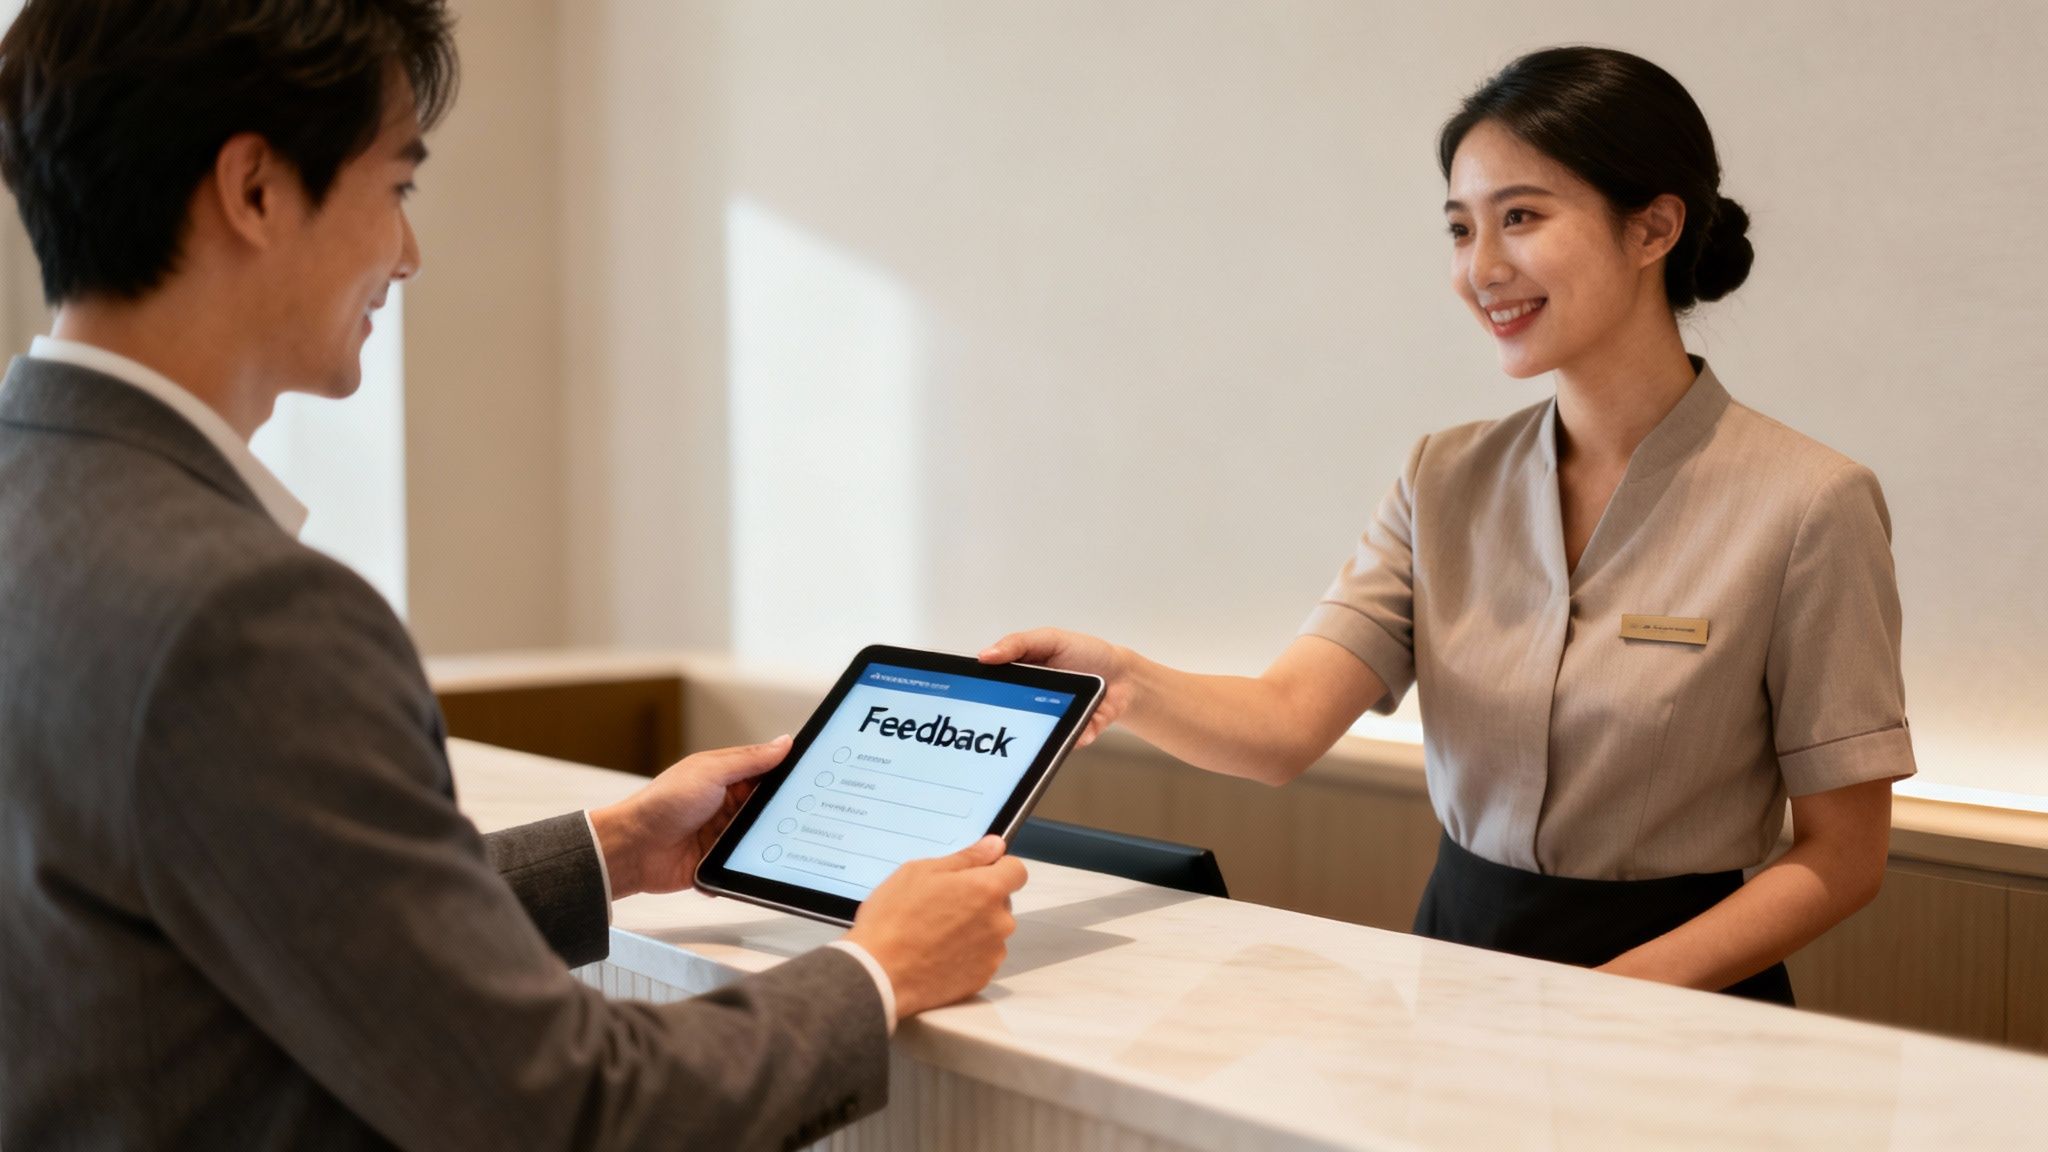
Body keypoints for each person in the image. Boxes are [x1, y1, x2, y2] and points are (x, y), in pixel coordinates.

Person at [0, 2, 1025, 1149]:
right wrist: (876, 971)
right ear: (254, 191)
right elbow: (555, 1108)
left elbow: (256, 908)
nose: (409, 253)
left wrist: (615, 848)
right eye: (398, 187)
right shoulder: (244, 615)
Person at [983, 46, 1913, 1004]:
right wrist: (1123, 677)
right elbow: (1283, 727)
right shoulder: (1443, 479)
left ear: (1654, 227)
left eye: (1521, 217)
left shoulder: (1809, 503)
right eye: (1462, 229)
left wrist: (1613, 1003)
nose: (1482, 268)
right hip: (1458, 973)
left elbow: (1844, 857)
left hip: (1686, 1003)